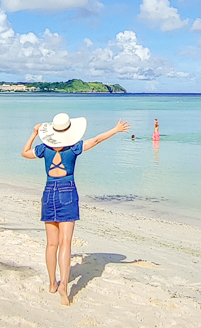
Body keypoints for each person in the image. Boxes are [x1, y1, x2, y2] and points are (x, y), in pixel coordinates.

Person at [22, 112, 129, 306]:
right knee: (66, 243)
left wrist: (34, 133)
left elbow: (25, 153)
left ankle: (52, 284)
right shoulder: (73, 148)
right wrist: (115, 129)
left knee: (51, 244)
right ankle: (64, 286)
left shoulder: (44, 149)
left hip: (49, 192)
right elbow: (96, 140)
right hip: (68, 191)